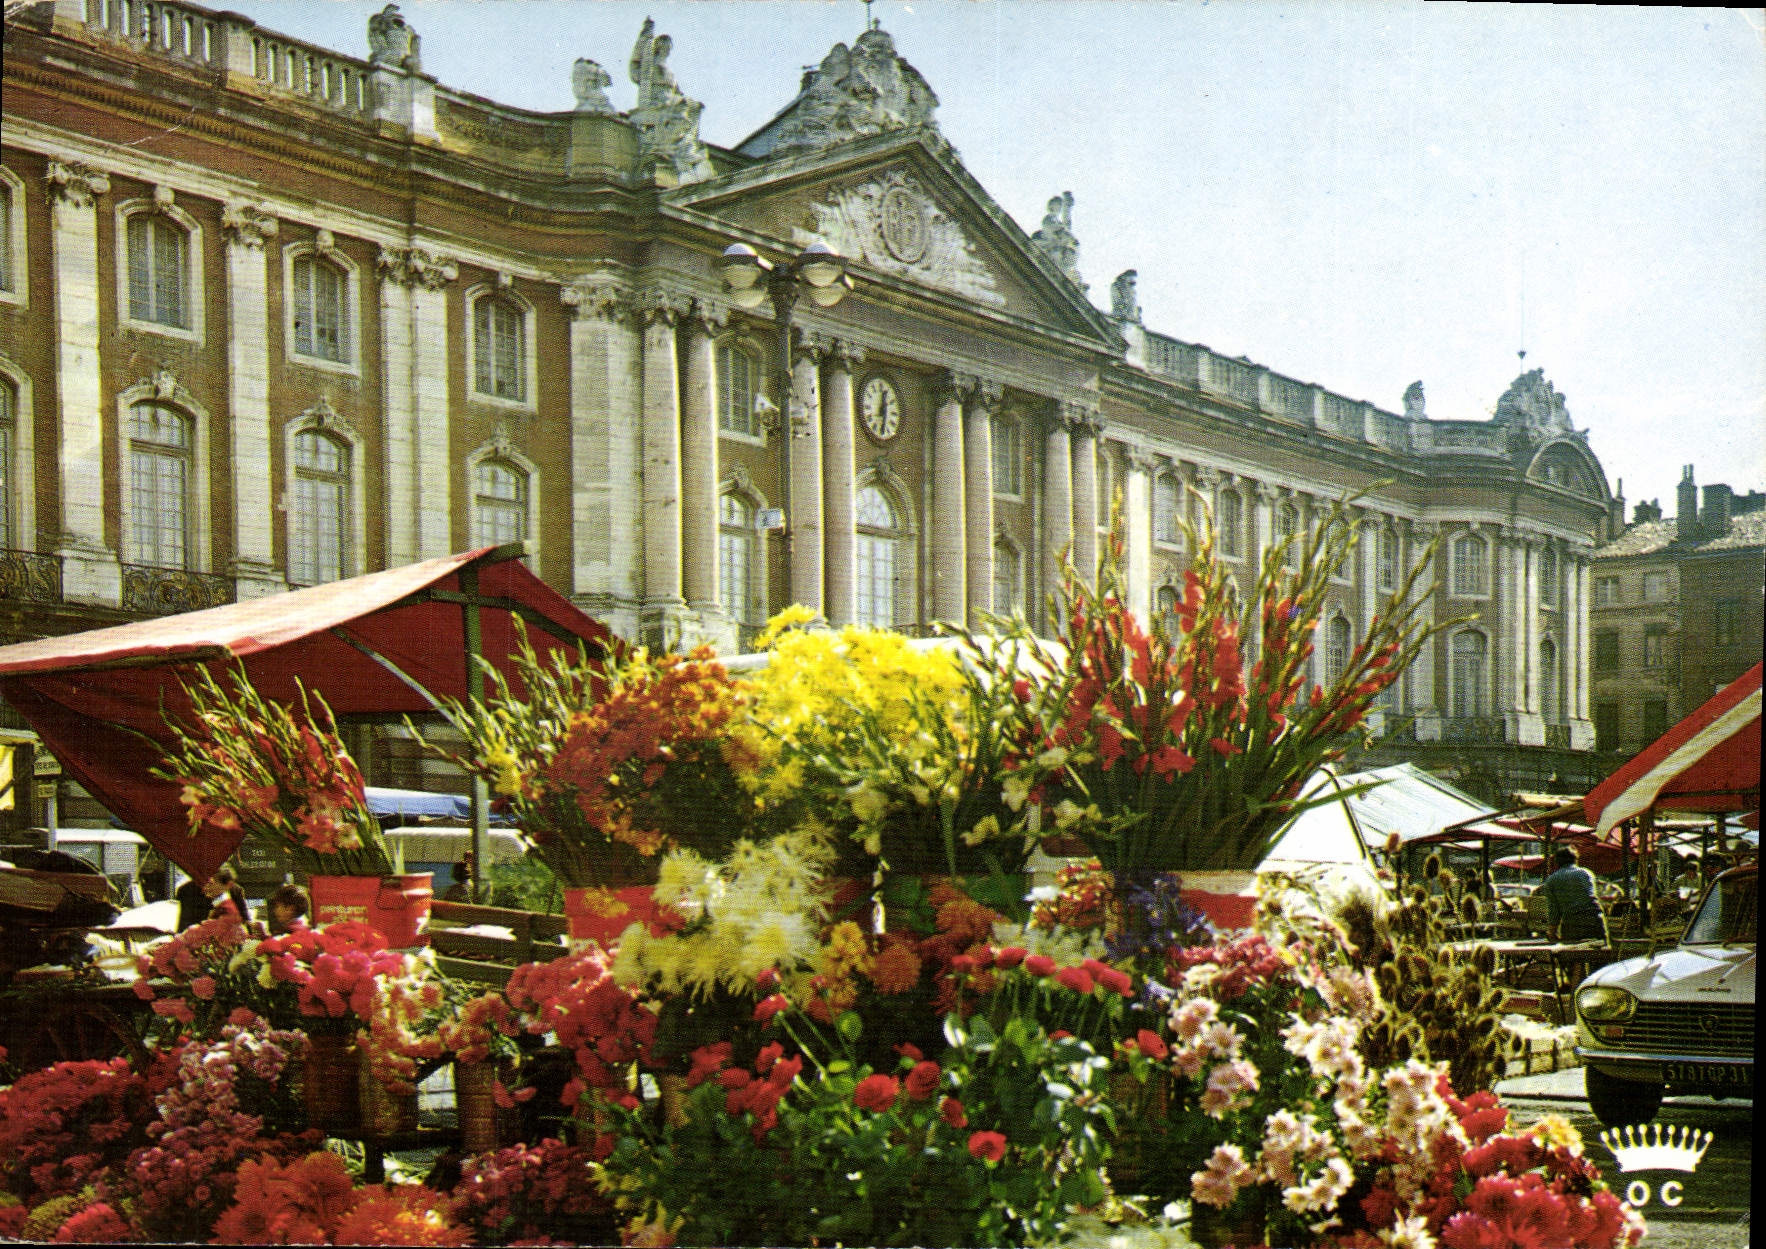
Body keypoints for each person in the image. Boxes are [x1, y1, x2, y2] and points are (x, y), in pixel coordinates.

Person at [1535, 847, 1607, 944]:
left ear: (1557, 863)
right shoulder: (1587, 873)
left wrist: (1552, 932)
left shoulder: (1551, 880)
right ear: (1575, 860)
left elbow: (1554, 911)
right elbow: (1593, 897)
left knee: (1570, 955)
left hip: (1572, 922)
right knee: (1600, 954)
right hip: (1595, 918)